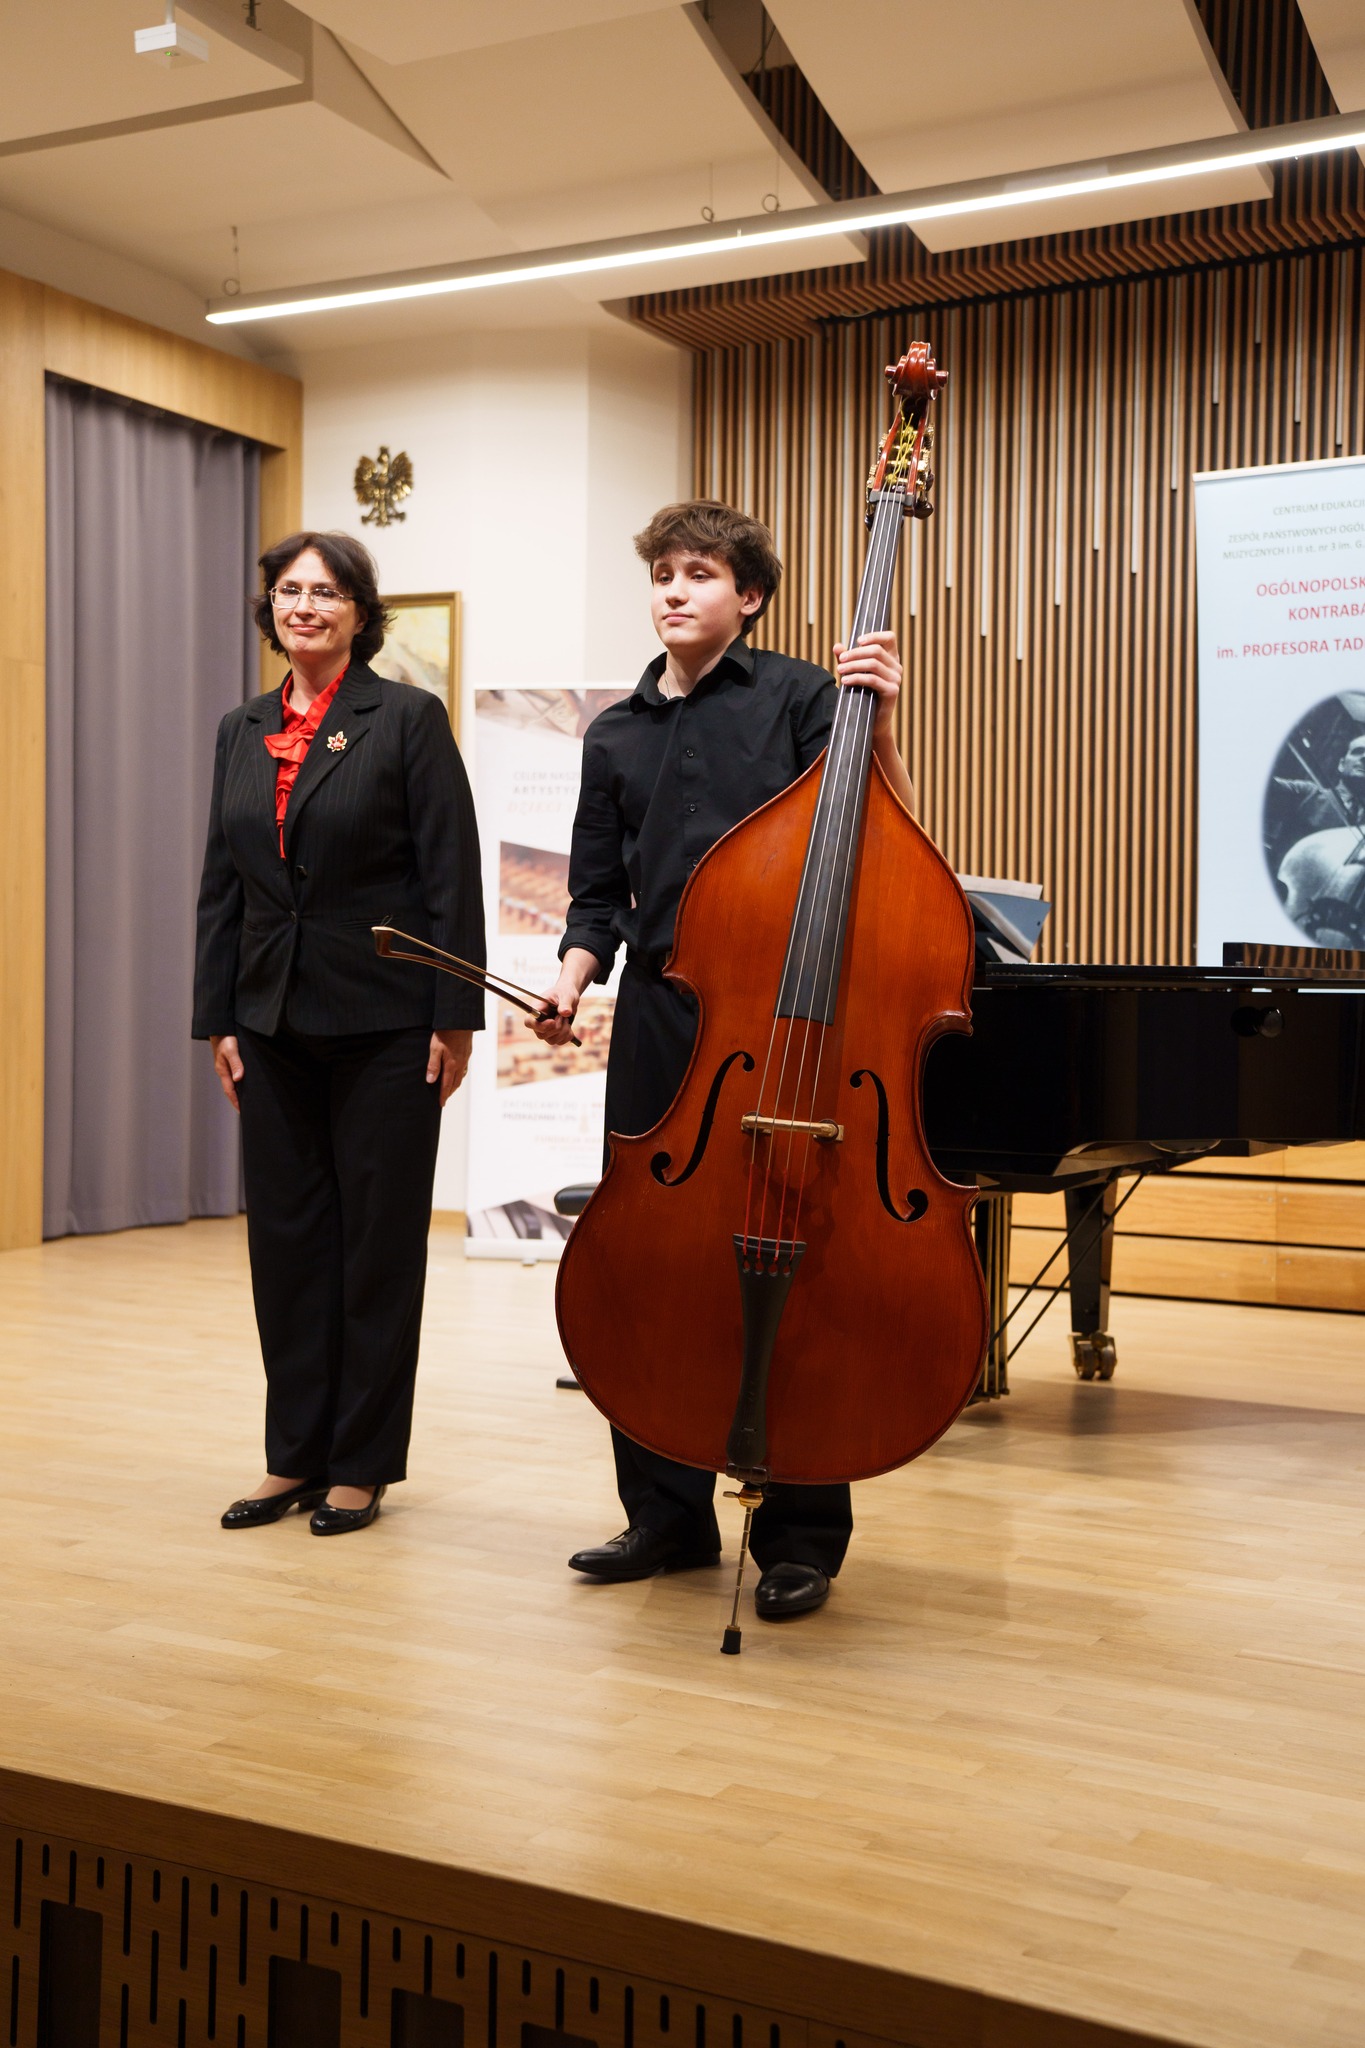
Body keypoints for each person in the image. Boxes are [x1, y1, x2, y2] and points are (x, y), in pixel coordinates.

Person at [531, 499, 913, 1620]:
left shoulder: (803, 694)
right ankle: (663, 1514)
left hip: (791, 1022)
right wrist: (570, 972)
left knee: (799, 1256)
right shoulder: (612, 734)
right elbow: (598, 896)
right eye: (662, 573)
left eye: (700, 573)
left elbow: (869, 832)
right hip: (660, 1013)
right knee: (648, 1260)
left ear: (749, 596)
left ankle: (801, 1531)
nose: (674, 590)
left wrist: (876, 721)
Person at [193, 531, 484, 1536]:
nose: (304, 606)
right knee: (287, 1245)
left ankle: (360, 1461)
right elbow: (222, 885)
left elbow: (452, 875)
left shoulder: (405, 719)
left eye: (325, 591)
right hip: (268, 1018)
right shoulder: (239, 728)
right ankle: (293, 1455)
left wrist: (456, 1017)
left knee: (376, 1249)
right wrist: (218, 1018)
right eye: (288, 590)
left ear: (360, 612)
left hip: (386, 1021)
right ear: (268, 607)